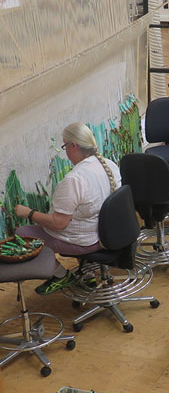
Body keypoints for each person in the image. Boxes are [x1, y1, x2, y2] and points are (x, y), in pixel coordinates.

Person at [14, 122, 121, 295]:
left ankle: (61, 275)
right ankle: (87, 274)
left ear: (73, 145)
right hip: (108, 232)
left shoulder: (74, 180)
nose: (65, 151)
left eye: (64, 146)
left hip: (88, 240)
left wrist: (29, 213)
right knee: (80, 218)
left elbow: (58, 224)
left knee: (22, 234)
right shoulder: (108, 164)